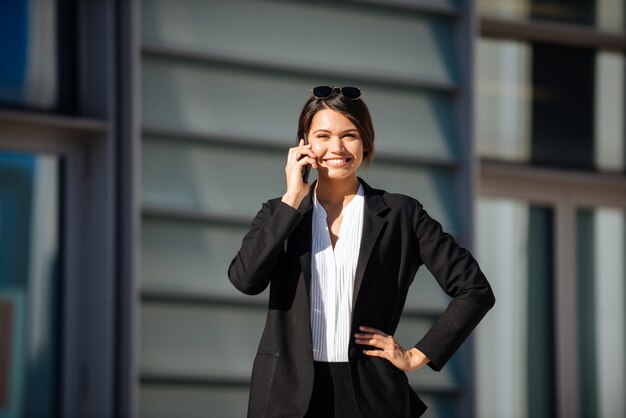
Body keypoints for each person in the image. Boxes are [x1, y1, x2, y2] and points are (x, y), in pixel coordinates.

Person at [228, 85, 495, 418]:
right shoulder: (279, 212)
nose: (336, 148)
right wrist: (292, 199)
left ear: (366, 143)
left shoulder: (403, 215)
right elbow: (244, 279)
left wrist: (416, 355)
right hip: (286, 395)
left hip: (370, 397)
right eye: (323, 136)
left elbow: (475, 290)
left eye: (349, 135)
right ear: (304, 145)